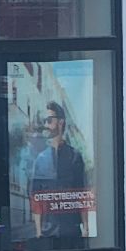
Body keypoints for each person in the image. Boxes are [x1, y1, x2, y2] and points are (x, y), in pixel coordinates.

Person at [29, 101, 89, 241]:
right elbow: (36, 197)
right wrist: (38, 232)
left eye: (49, 120)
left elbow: (82, 193)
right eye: (45, 121)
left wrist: (86, 227)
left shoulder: (74, 156)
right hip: (47, 231)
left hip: (71, 230)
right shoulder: (41, 159)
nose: (46, 125)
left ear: (61, 122)